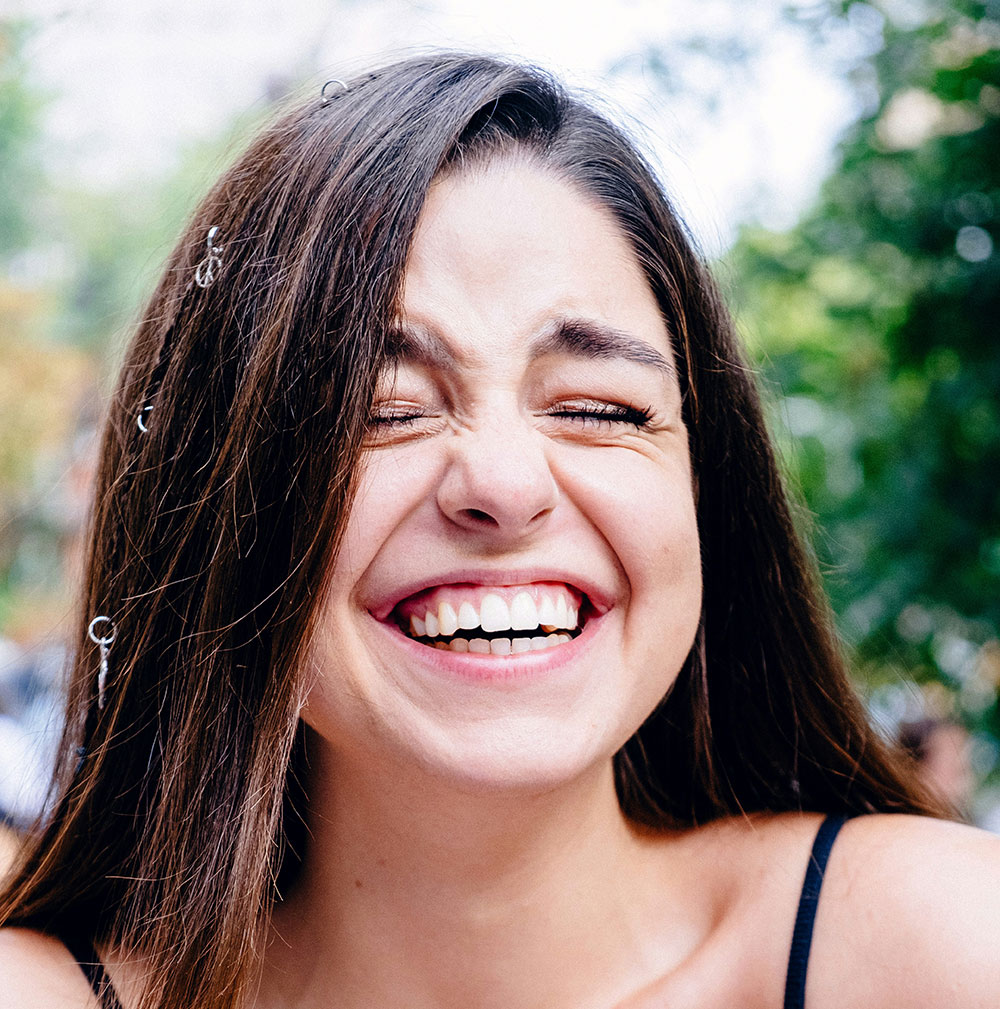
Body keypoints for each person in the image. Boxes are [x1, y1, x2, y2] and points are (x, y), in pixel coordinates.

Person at [1, 51, 998, 1009]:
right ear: (216, 511)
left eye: (601, 408)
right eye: (381, 409)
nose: (503, 484)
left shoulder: (936, 948)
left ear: (707, 490)